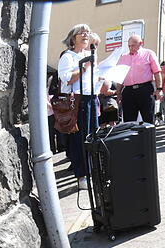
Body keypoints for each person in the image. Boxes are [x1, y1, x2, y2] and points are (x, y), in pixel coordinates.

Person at [57, 24, 101, 190]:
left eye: (87, 33)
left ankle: (93, 171)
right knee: (80, 138)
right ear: (72, 38)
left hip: (91, 98)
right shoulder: (68, 57)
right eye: (81, 33)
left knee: (93, 136)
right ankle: (82, 175)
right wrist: (84, 66)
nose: (85, 35)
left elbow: (94, 78)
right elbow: (67, 79)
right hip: (77, 101)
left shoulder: (90, 55)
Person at [117, 34, 162, 124]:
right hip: (128, 91)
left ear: (141, 43)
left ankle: (149, 138)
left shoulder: (149, 54)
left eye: (133, 45)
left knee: (148, 119)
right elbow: (120, 77)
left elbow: (157, 72)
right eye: (129, 46)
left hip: (145, 90)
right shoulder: (123, 57)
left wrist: (159, 89)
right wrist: (118, 93)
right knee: (129, 122)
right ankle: (132, 138)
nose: (130, 48)